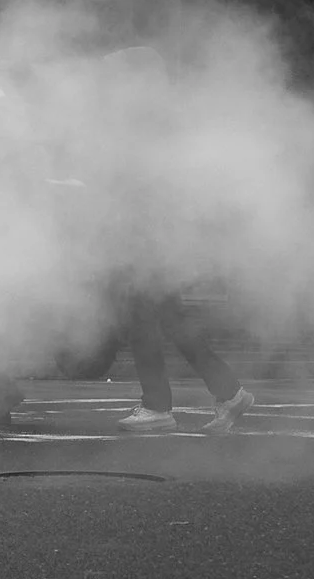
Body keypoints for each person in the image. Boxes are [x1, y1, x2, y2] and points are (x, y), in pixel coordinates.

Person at [95, 46, 254, 436]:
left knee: (140, 316)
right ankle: (228, 392)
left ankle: (158, 406)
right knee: (171, 320)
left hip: (148, 237)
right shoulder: (159, 117)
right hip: (160, 235)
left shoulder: (145, 121)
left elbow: (139, 182)